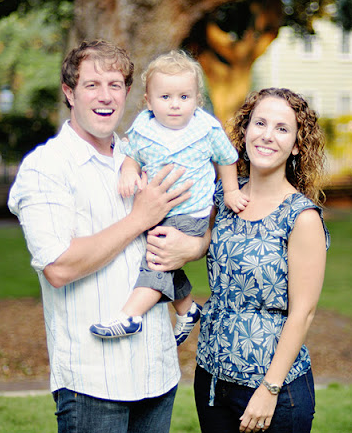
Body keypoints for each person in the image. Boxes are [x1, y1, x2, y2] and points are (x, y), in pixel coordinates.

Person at [8, 40, 210, 433]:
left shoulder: (144, 153)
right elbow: (58, 267)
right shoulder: (46, 168)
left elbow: (196, 222)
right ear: (69, 92)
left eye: (115, 85)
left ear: (128, 93)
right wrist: (138, 218)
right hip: (93, 381)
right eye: (92, 85)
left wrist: (193, 247)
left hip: (157, 371)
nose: (105, 96)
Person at [194, 87, 331, 433]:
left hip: (275, 390)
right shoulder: (224, 196)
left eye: (282, 128)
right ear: (245, 130)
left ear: (296, 145)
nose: (267, 135)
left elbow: (303, 313)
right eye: (260, 123)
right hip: (212, 382)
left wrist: (269, 390)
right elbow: (192, 243)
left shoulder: (301, 217)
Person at [90, 50, 248, 345]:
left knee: (157, 260)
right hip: (154, 210)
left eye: (184, 97)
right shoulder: (143, 129)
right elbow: (131, 156)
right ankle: (187, 308)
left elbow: (227, 158)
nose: (175, 104)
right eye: (165, 97)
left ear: (197, 99)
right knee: (165, 258)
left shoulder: (206, 129)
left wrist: (231, 191)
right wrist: (128, 172)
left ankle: (130, 315)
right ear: (149, 101)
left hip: (190, 212)